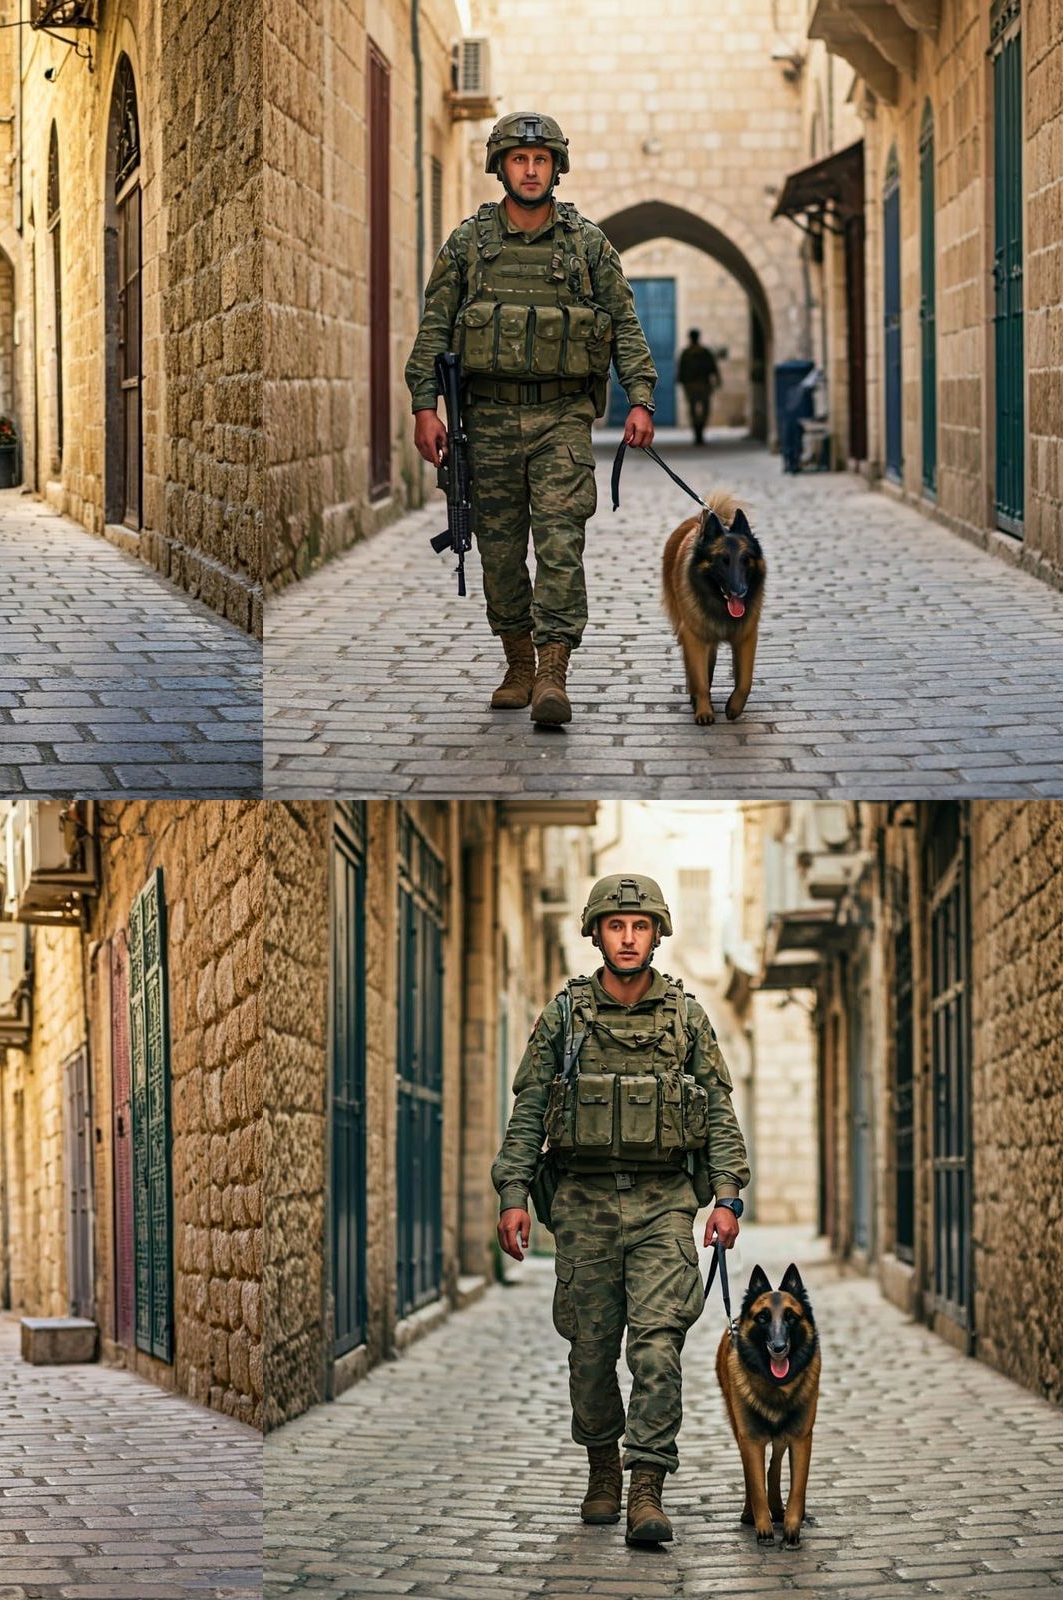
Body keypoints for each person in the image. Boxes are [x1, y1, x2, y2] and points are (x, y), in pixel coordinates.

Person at [491, 873, 750, 1547]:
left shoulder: (686, 1017)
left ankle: (646, 1487)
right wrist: (513, 1194)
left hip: (665, 1201)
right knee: (591, 1351)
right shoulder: (565, 1014)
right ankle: (601, 1469)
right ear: (597, 932)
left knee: (658, 1346)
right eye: (616, 926)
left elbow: (719, 1109)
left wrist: (727, 1195)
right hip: (581, 1204)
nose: (628, 938)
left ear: (657, 933)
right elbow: (529, 1110)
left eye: (640, 926)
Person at [406, 113, 658, 724]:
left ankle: (552, 674)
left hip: (562, 417)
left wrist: (641, 396)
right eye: (519, 159)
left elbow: (623, 323)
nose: (530, 169)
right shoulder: (468, 245)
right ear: (501, 168)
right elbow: (434, 327)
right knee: (497, 550)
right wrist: (423, 406)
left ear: (556, 169)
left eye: (540, 159)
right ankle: (517, 663)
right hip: (485, 419)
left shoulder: (587, 245)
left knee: (560, 543)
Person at [677, 329, 721, 446]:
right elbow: (713, 368)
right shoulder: (696, 352)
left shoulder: (691, 353)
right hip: (698, 385)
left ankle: (699, 432)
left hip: (698, 385)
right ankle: (698, 433)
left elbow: (712, 367)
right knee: (698, 411)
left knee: (698, 411)